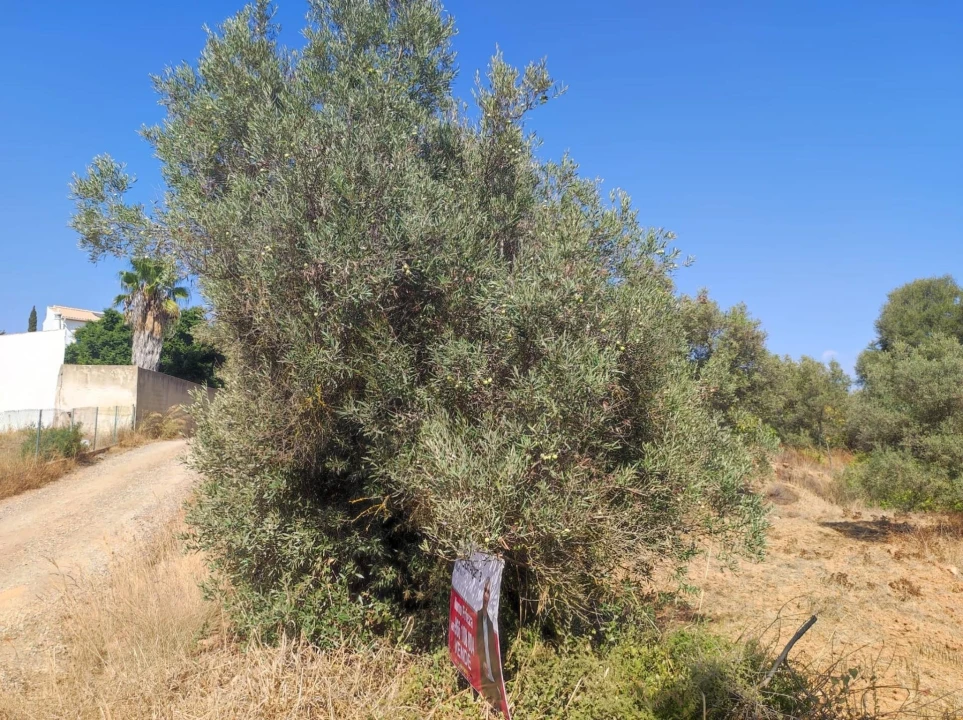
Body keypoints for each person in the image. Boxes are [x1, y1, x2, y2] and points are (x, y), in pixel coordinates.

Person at [475, 577, 504, 713]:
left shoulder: (492, 623)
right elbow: (477, 642)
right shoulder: (478, 616)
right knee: (484, 694)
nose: (486, 595)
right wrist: (483, 662)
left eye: (488, 592)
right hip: (481, 667)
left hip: (492, 669)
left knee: (495, 698)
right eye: (484, 591)